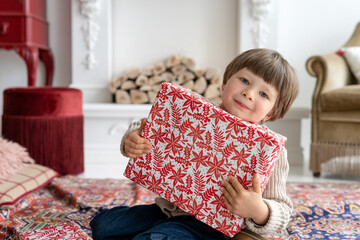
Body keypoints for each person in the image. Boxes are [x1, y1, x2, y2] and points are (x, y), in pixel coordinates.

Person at [90, 48, 299, 240]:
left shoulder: (271, 151)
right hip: (167, 210)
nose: (249, 93)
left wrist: (258, 210)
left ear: (271, 112)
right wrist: (133, 138)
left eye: (264, 94)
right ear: (225, 83)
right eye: (244, 80)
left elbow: (282, 208)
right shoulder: (195, 111)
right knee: (103, 226)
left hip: (213, 228)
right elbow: (148, 124)